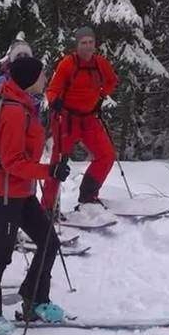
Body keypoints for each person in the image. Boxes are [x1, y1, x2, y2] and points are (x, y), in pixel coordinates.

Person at [0, 56, 72, 335]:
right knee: (1, 253)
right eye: (42, 75)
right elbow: (11, 161)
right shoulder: (14, 111)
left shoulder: (24, 104)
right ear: (29, 78)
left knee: (48, 241)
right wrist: (48, 171)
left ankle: (35, 299)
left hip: (20, 190)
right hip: (4, 192)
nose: (45, 79)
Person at [41, 26, 119, 215]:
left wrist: (101, 96)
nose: (87, 47)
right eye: (83, 43)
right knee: (58, 164)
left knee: (106, 156)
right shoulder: (67, 64)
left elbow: (112, 81)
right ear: (77, 45)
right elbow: (52, 89)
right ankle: (47, 209)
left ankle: (88, 196)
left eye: (90, 42)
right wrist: (55, 101)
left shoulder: (100, 63)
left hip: (90, 119)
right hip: (66, 120)